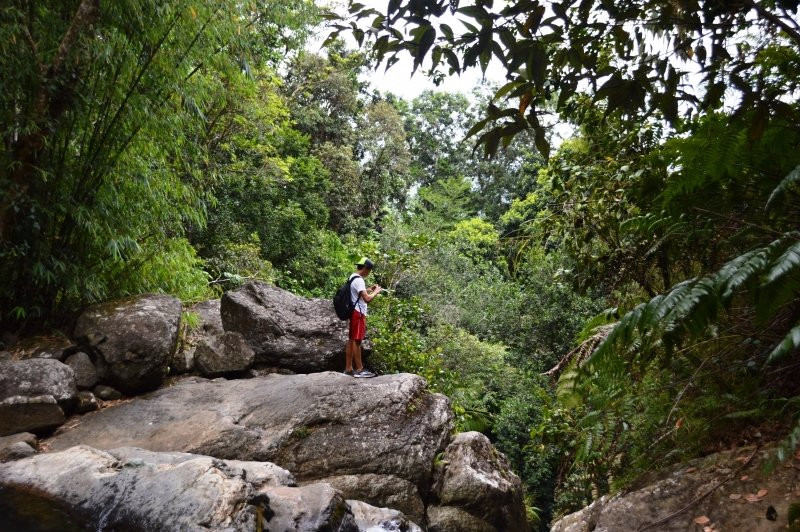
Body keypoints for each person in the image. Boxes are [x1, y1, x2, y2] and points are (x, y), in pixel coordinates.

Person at [345, 257, 382, 377]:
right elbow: (367, 299)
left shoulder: (353, 276)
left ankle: (348, 368)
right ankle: (360, 369)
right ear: (366, 268)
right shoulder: (359, 280)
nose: (368, 273)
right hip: (359, 313)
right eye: (369, 271)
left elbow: (358, 293)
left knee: (351, 340)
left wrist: (368, 289)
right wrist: (376, 291)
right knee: (357, 340)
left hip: (353, 312)